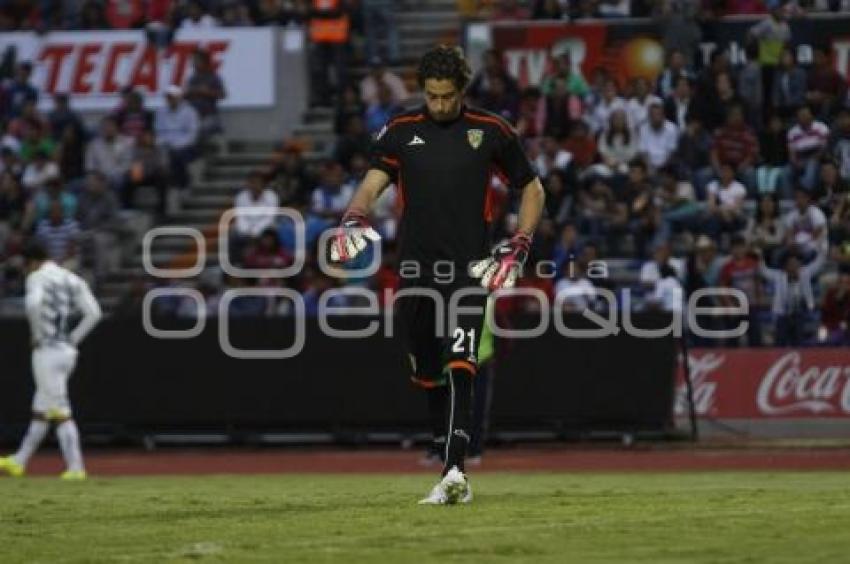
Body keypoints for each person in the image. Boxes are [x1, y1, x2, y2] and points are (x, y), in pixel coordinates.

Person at [328, 45, 544, 505]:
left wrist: (521, 241)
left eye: (448, 96)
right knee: (427, 367)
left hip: (470, 267)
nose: (440, 104)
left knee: (462, 360)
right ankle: (441, 444)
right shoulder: (400, 132)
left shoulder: (491, 131)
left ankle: (454, 472)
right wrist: (353, 215)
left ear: (462, 91)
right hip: (415, 268)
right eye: (432, 96)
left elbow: (531, 187)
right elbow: (370, 186)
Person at [0, 241, 102, 480]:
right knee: (42, 408)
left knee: (60, 409)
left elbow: (33, 303)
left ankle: (76, 468)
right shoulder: (71, 278)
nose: (25, 271)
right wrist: (74, 339)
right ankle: (19, 461)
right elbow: (94, 313)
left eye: (25, 266)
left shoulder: (37, 278)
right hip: (66, 351)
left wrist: (36, 334)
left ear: (32, 262)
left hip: (47, 351)